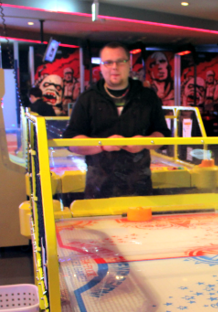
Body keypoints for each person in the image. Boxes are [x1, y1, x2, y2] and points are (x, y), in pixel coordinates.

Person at [63, 42, 170, 199]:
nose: (114, 67)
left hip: (139, 188)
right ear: (101, 66)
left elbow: (163, 135)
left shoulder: (148, 97)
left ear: (129, 64)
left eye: (120, 61)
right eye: (108, 62)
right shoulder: (88, 99)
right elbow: (71, 142)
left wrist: (145, 141)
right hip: (98, 189)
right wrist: (102, 145)